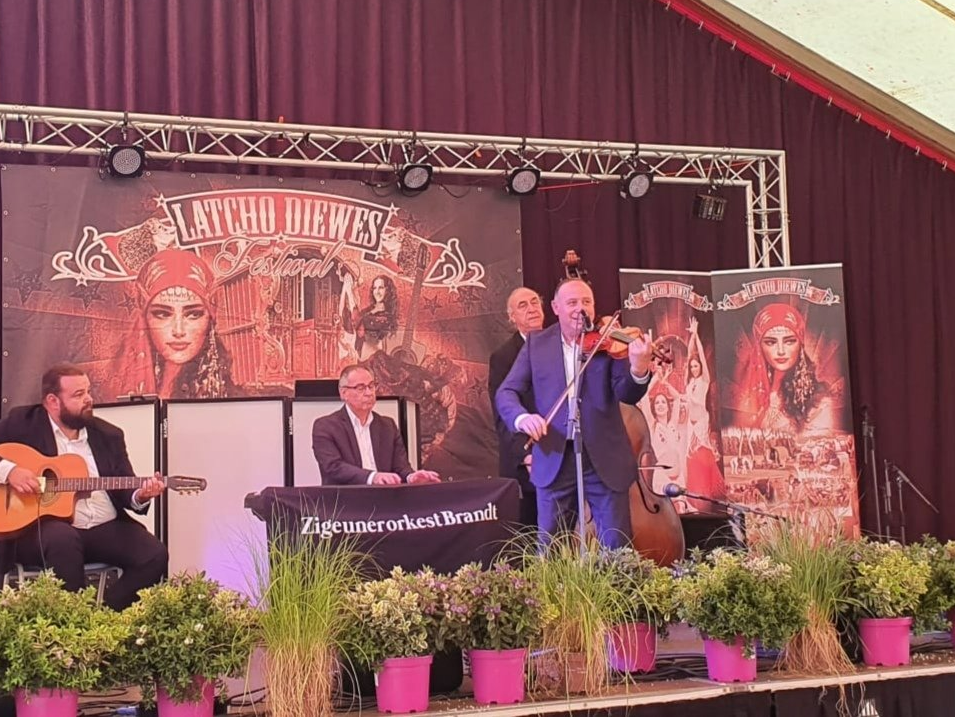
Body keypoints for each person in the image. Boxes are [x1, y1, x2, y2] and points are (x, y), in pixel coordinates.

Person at [496, 278, 652, 548]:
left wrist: (639, 369)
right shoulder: (537, 344)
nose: (581, 308)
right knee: (551, 548)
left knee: (617, 547)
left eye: (586, 302)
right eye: (572, 302)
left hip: (604, 458)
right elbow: (506, 392)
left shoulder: (610, 341)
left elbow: (627, 393)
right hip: (554, 455)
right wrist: (523, 418)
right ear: (555, 308)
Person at [0, 364, 168, 611]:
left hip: (102, 527)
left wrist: (141, 495)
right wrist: (10, 471)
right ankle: (74, 620)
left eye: (88, 391)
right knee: (63, 539)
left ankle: (104, 617)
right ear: (52, 401)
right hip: (43, 530)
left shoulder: (109, 435)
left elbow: (125, 485)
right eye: (78, 394)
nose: (88, 399)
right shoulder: (22, 423)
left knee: (154, 554)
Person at [113, 248, 235, 399]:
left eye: (193, 314)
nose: (178, 330)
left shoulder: (234, 396)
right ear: (145, 320)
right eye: (163, 314)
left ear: (210, 319)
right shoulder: (116, 383)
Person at [312, 365, 441, 485]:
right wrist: (372, 477)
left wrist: (411, 477)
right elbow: (333, 467)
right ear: (343, 393)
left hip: (384, 497)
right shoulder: (326, 426)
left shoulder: (388, 426)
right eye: (361, 388)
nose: (369, 393)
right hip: (345, 499)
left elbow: (401, 467)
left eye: (371, 386)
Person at [487, 287, 545, 528]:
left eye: (535, 302)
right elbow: (503, 415)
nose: (532, 309)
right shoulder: (503, 357)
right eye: (523, 305)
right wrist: (526, 455)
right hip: (526, 460)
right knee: (531, 531)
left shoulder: (558, 346)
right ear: (512, 317)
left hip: (561, 456)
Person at [747, 303, 832, 433]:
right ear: (760, 347)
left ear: (800, 344)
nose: (781, 351)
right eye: (771, 342)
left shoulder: (818, 399)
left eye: (789, 341)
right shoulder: (758, 394)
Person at [354, 275, 399, 358]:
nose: (377, 292)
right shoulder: (365, 312)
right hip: (365, 357)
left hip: (383, 359)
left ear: (388, 290)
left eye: (381, 288)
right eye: (375, 288)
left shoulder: (391, 314)